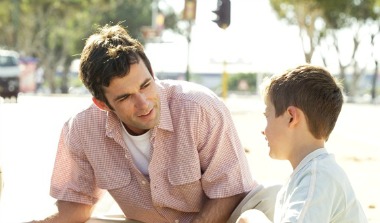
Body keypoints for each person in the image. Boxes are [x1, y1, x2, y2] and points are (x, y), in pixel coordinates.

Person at [29, 23, 263, 223]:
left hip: (228, 216)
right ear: (102, 104)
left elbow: (230, 191)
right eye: (124, 97)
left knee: (264, 209)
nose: (144, 104)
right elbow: (76, 205)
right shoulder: (81, 129)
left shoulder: (199, 108)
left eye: (145, 85)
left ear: (151, 71)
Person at [236, 64, 368, 223]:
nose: (263, 130)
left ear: (291, 117)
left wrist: (252, 217)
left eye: (267, 116)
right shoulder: (312, 173)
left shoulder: (317, 177)